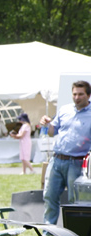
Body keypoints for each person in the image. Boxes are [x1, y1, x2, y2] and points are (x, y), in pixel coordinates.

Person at [40, 80, 91, 225]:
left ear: (88, 95)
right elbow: (52, 132)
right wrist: (46, 124)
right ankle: (48, 229)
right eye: (74, 94)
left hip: (77, 162)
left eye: (80, 94)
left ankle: (74, 230)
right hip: (56, 160)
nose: (76, 97)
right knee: (49, 195)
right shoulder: (64, 110)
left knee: (74, 200)